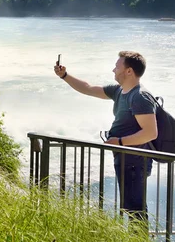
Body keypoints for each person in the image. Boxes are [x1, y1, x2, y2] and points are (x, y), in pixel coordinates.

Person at [54, 51, 158, 222]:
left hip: (135, 162)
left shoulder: (140, 97)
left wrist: (119, 142)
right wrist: (64, 75)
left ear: (129, 71)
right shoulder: (119, 91)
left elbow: (150, 133)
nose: (113, 70)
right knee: (131, 208)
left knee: (136, 211)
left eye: (117, 67)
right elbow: (87, 88)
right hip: (126, 159)